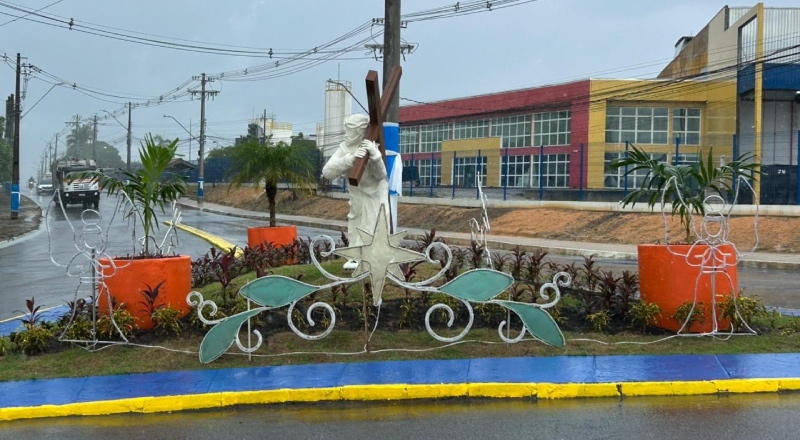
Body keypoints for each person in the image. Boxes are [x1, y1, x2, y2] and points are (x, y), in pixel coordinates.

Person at [322, 114, 389, 260]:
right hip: (357, 197)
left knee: (374, 228)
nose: (347, 134)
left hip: (375, 198)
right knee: (355, 229)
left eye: (351, 130)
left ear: (361, 131)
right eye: (346, 129)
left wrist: (375, 156)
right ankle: (356, 259)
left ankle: (374, 261)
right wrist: (349, 159)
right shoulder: (345, 147)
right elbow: (327, 172)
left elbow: (381, 175)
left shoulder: (373, 147)